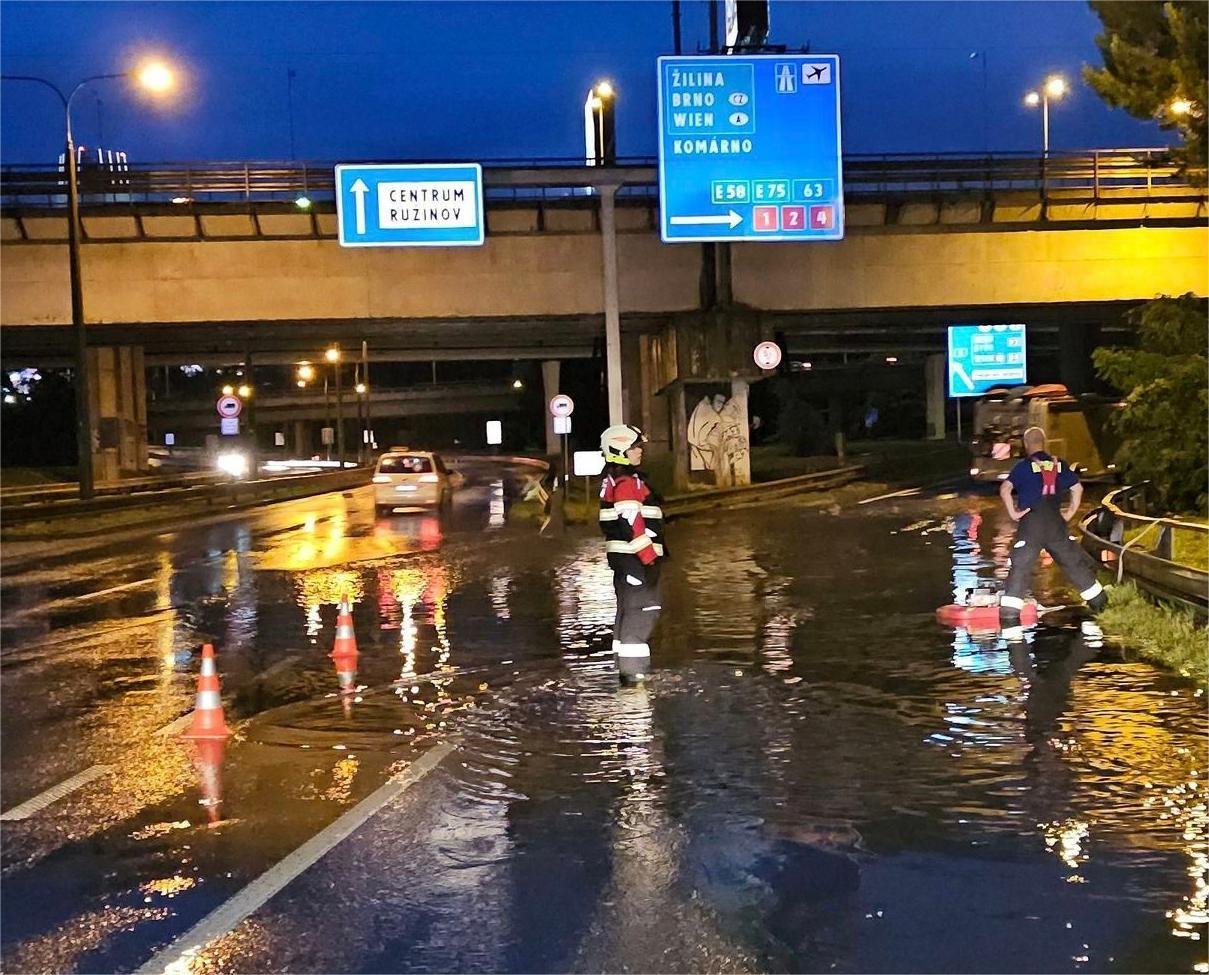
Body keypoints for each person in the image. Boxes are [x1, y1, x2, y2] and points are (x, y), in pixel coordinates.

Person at [999, 426, 1107, 628]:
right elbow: (1078, 488)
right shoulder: (1059, 465)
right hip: (1056, 524)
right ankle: (1100, 603)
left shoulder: (1023, 467)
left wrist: (1013, 513)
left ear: (1026, 444)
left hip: (1032, 524)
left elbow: (1005, 488)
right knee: (1073, 563)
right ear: (1044, 443)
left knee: (1020, 568)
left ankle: (1009, 619)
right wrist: (1069, 513)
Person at [598, 424, 666, 682]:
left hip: (625, 563)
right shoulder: (627, 483)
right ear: (620, 451)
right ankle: (634, 682)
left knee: (628, 613)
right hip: (637, 561)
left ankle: (626, 674)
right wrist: (648, 560)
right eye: (635, 447)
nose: (640, 451)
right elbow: (631, 523)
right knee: (641, 614)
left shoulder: (614, 480)